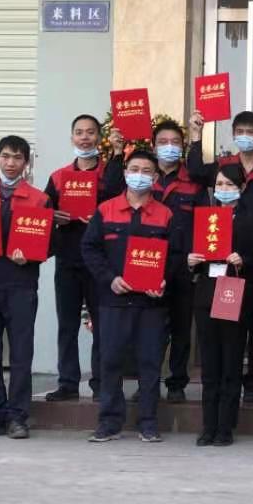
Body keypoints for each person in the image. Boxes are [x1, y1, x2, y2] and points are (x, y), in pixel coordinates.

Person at [186, 108, 253, 404]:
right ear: (233, 135)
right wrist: (196, 135)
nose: (245, 137)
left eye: (250, 133)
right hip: (224, 265)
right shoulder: (224, 166)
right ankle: (224, 382)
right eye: (240, 132)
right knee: (228, 327)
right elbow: (195, 171)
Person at [82, 148, 181, 444]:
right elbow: (89, 248)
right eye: (134, 169)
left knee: (150, 363)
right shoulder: (105, 210)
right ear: (125, 173)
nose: (140, 175)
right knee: (110, 361)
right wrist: (109, 279)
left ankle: (148, 422)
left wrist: (163, 280)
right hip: (113, 300)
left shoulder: (165, 214)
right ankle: (109, 422)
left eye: (147, 171)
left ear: (155, 177)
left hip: (151, 303)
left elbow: (176, 254)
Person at [102, 119, 203, 403]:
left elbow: (205, 224)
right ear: (154, 146)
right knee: (149, 331)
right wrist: (117, 152)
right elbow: (112, 191)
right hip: (143, 268)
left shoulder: (194, 183)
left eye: (175, 142)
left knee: (181, 328)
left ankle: (176, 383)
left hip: (181, 266)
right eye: (163, 142)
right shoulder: (142, 177)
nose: (169, 147)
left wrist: (196, 260)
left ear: (183, 147)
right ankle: (147, 384)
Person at [0, 135, 51, 440]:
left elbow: (50, 243)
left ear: (26, 162)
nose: (11, 163)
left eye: (17, 157)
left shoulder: (39, 200)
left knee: (21, 356)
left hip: (21, 287)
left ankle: (17, 417)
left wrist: (31, 255)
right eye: (5, 156)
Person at [187, 163, 253, 447]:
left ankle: (225, 426)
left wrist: (243, 260)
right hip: (206, 293)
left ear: (242, 188)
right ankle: (208, 425)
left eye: (230, 185)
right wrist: (190, 261)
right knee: (210, 365)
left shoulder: (252, 218)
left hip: (234, 292)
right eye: (219, 185)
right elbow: (189, 254)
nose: (224, 189)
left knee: (231, 361)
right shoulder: (204, 217)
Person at [43, 114, 104, 403]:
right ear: (72, 138)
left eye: (90, 132)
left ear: (99, 138)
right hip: (67, 260)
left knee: (102, 324)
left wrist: (100, 219)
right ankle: (67, 383)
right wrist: (52, 216)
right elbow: (41, 214)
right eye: (79, 132)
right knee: (67, 324)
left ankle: (101, 383)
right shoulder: (58, 177)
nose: (84, 137)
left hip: (99, 262)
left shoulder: (110, 176)